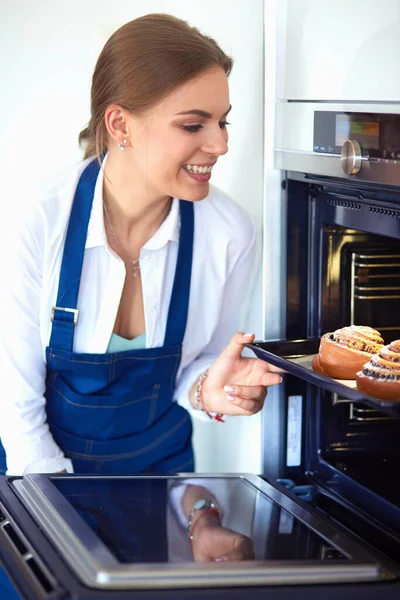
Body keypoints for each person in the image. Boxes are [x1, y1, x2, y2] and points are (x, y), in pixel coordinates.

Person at [0, 13, 282, 478]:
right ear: (120, 124)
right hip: (36, 476)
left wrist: (211, 389)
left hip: (160, 479)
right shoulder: (35, 219)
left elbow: (196, 366)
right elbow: (16, 404)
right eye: (193, 126)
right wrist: (59, 526)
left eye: (223, 122)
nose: (220, 145)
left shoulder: (230, 233)